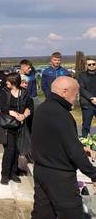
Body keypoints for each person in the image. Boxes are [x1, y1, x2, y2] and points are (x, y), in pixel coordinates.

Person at [31, 76, 96, 218]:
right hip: (60, 177)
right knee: (71, 214)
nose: (77, 98)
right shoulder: (62, 115)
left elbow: (51, 139)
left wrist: (81, 148)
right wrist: (93, 174)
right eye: (76, 94)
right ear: (65, 92)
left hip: (41, 171)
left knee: (43, 214)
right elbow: (73, 151)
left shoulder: (42, 108)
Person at [0, 73, 33, 185]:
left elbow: (29, 105)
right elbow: (3, 107)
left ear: (14, 82)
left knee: (17, 150)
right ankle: (5, 174)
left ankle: (13, 173)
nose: (6, 83)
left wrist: (24, 116)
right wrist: (16, 115)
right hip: (7, 125)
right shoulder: (4, 92)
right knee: (9, 150)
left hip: (20, 125)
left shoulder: (24, 92)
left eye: (8, 81)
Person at [77, 56, 96, 138]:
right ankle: (85, 144)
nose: (91, 65)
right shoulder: (81, 76)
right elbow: (81, 88)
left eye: (93, 64)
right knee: (86, 126)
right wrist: (92, 98)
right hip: (87, 104)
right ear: (86, 65)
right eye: (89, 64)